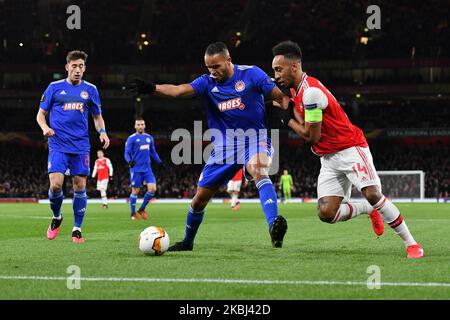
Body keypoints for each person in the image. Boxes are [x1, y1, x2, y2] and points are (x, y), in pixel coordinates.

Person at [129, 42, 292, 251]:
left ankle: (273, 227)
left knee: (259, 170)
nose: (212, 71)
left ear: (228, 60)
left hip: (254, 139)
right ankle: (187, 242)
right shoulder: (207, 83)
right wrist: (152, 88)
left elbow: (279, 96)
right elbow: (179, 91)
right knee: (199, 200)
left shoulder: (252, 74)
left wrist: (284, 109)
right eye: (209, 67)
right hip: (224, 149)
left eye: (216, 66)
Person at [272, 40, 423, 258]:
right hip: (328, 158)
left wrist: (285, 119)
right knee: (326, 213)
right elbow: (301, 116)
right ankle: (366, 209)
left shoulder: (311, 93)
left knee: (372, 193)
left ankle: (412, 244)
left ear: (294, 66)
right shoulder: (297, 90)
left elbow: (310, 136)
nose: (276, 75)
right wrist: (288, 109)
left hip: (350, 149)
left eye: (278, 69)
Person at [36, 50, 110, 243]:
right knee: (56, 184)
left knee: (80, 185)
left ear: (85, 68)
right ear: (67, 67)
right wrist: (45, 128)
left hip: (80, 146)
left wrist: (102, 132)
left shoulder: (91, 90)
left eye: (81, 66)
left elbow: (97, 116)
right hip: (58, 144)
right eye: (74, 66)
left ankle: (77, 229)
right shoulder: (54, 88)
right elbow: (40, 114)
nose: (78, 70)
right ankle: (57, 216)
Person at [124, 117, 163, 220]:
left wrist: (159, 162)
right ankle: (133, 214)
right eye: (138, 124)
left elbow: (153, 152)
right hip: (136, 169)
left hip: (147, 169)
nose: (140, 126)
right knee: (135, 191)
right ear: (135, 126)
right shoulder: (131, 138)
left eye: (142, 124)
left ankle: (141, 209)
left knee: (153, 189)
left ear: (144, 125)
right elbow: (127, 153)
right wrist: (129, 161)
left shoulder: (149, 138)